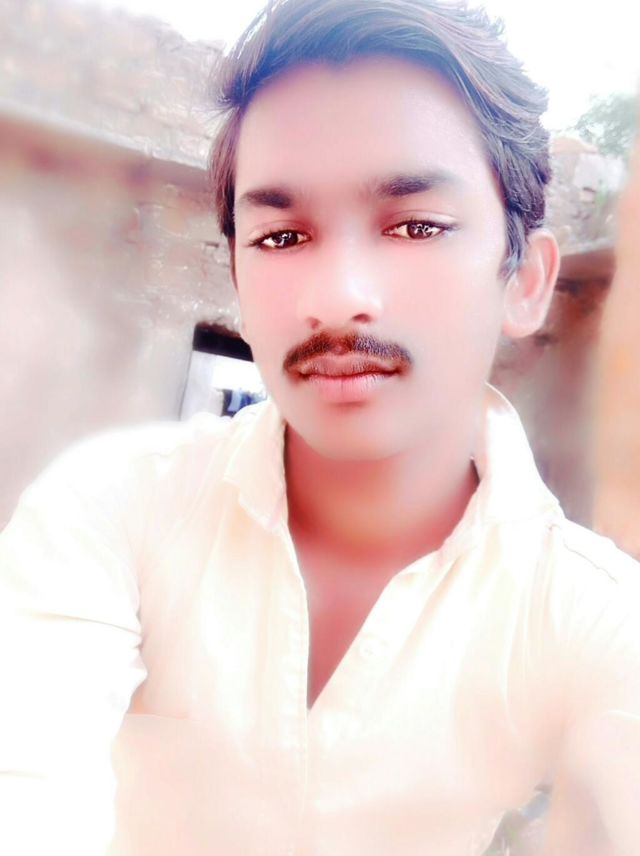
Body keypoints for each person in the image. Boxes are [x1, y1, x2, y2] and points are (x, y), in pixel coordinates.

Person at [1, 0, 639, 854]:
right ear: (236, 278)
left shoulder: (592, 616)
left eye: (415, 225)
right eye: (281, 236)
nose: (337, 296)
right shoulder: (112, 510)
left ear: (524, 281)